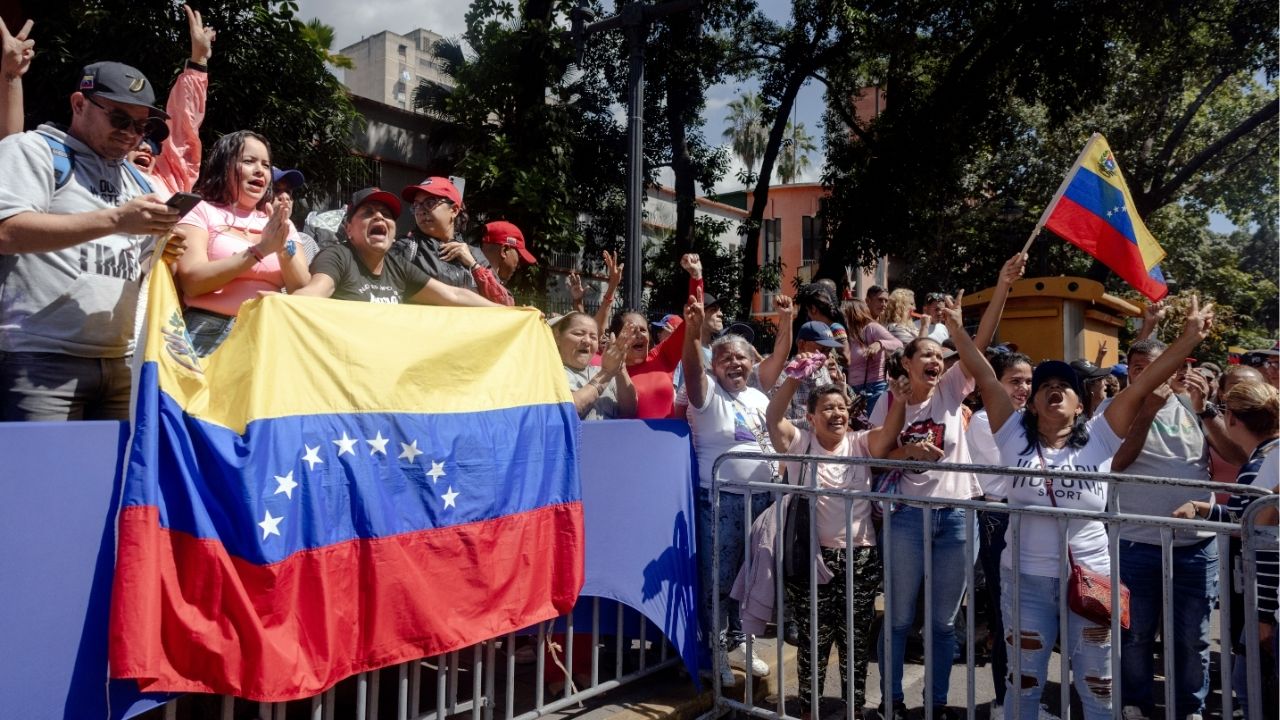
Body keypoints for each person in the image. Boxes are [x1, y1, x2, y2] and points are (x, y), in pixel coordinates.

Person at [948, 293, 1215, 720]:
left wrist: (1187, 340)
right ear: (1032, 404)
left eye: (1064, 386)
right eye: (1044, 386)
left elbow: (1145, 384)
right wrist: (958, 330)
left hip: (1092, 581)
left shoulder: (1102, 434)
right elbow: (982, 373)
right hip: (1025, 582)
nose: (1054, 390)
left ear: (1080, 403)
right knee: (1025, 683)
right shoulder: (1012, 432)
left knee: (1098, 687)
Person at [869, 253, 1024, 720]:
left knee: (942, 622)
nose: (936, 361)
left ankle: (935, 704)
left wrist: (1001, 285)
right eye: (928, 355)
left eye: (940, 356)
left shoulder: (953, 390)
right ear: (908, 363)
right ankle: (892, 701)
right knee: (898, 618)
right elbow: (878, 457)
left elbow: (978, 344)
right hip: (906, 521)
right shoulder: (887, 402)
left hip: (957, 517)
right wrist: (909, 453)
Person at [0, 61, 182, 420]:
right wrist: (115, 220)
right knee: (42, 476)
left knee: (112, 477)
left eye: (142, 125)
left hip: (121, 362)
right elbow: (6, 231)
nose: (132, 133)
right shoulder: (33, 150)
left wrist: (162, 250)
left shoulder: (139, 181)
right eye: (119, 119)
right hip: (40, 358)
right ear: (79, 104)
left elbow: (135, 260)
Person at [1110, 336, 1248, 720]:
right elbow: (1117, 462)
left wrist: (1205, 412)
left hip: (1195, 545)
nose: (1148, 375)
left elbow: (1237, 456)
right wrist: (1148, 411)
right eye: (1139, 368)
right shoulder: (1114, 409)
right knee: (1135, 635)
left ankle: (1190, 708)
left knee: (1192, 638)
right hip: (1136, 542)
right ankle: (1135, 702)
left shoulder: (1195, 407)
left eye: (1157, 367)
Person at [765, 362, 906, 718]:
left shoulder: (860, 442)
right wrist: (795, 376)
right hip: (812, 560)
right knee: (814, 639)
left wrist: (899, 399)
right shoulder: (800, 444)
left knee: (855, 641)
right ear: (810, 417)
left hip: (861, 557)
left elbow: (889, 434)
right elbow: (773, 416)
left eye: (841, 407)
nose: (837, 413)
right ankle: (810, 708)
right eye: (827, 408)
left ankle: (854, 709)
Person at [682, 290, 775, 685]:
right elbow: (690, 370)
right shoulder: (706, 394)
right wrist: (692, 334)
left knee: (749, 578)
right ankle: (716, 650)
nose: (735, 363)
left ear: (753, 363)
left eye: (742, 356)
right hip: (721, 502)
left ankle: (742, 643)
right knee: (719, 580)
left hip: (763, 501)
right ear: (714, 367)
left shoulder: (758, 396)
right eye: (725, 358)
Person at [1173, 380, 1278, 718]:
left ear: (1232, 418)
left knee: (1253, 692)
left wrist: (1262, 616)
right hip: (1267, 603)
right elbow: (1248, 516)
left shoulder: (1266, 463)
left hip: (1269, 604)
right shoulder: (1266, 458)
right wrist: (1206, 508)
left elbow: (1264, 542)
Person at [173, 131, 310, 356]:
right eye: (249, 161)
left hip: (270, 333)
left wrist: (283, 244)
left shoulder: (278, 221)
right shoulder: (200, 211)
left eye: (266, 165)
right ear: (224, 165)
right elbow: (192, 282)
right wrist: (260, 250)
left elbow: (301, 290)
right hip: (208, 333)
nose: (260, 171)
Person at [293, 187, 501, 310]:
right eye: (368, 212)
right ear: (349, 229)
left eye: (387, 213)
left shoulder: (397, 267)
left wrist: (506, 312)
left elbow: (454, 296)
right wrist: (277, 305)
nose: (379, 217)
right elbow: (315, 292)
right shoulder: (337, 257)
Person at [965, 347, 1033, 714]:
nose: (1023, 388)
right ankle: (1004, 701)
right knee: (1007, 612)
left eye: (1027, 381)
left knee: (1029, 613)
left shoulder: (1030, 419)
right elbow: (1012, 471)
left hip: (1029, 518)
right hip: (1000, 518)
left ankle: (1022, 699)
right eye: (1015, 381)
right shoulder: (982, 420)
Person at [127, 4, 213, 199]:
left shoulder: (167, 180)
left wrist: (198, 61)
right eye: (137, 139)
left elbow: (183, 127)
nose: (147, 148)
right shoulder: (92, 175)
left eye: (154, 143)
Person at [397, 176, 507, 303]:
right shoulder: (406, 249)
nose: (420, 211)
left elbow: (505, 304)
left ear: (454, 210)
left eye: (430, 203)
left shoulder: (474, 254)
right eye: (416, 205)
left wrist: (474, 265)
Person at [554, 311, 638, 420]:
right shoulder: (549, 372)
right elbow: (566, 412)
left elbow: (629, 412)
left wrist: (620, 368)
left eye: (593, 337)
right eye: (578, 334)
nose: (587, 341)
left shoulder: (604, 371)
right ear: (557, 337)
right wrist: (605, 374)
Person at [843, 298, 903, 414]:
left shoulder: (871, 328)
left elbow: (898, 344)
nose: (842, 317)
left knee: (874, 427)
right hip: (852, 390)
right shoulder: (847, 333)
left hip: (873, 388)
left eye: (845, 313)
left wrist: (880, 343)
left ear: (854, 313)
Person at [482, 220, 537, 287]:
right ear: (504, 251)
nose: (519, 266)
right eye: (519, 256)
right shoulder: (480, 285)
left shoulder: (475, 278)